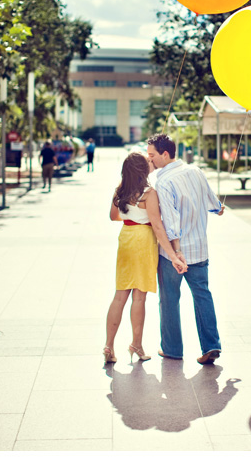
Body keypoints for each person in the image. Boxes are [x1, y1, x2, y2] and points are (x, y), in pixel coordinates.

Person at [146, 133, 225, 365]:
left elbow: (170, 223)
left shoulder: (164, 182)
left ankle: (172, 349)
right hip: (200, 249)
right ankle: (211, 345)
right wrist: (219, 208)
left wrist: (176, 252)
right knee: (203, 296)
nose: (149, 161)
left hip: (173, 254)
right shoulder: (196, 171)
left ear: (165, 154)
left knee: (169, 299)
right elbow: (213, 203)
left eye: (152, 156)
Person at [104, 152, 183, 365]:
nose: (151, 163)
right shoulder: (149, 193)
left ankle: (108, 346)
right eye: (147, 161)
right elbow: (157, 226)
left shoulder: (119, 190)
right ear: (141, 169)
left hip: (126, 238)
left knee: (120, 295)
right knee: (139, 297)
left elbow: (113, 216)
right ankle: (136, 345)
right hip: (143, 241)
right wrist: (173, 254)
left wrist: (131, 216)